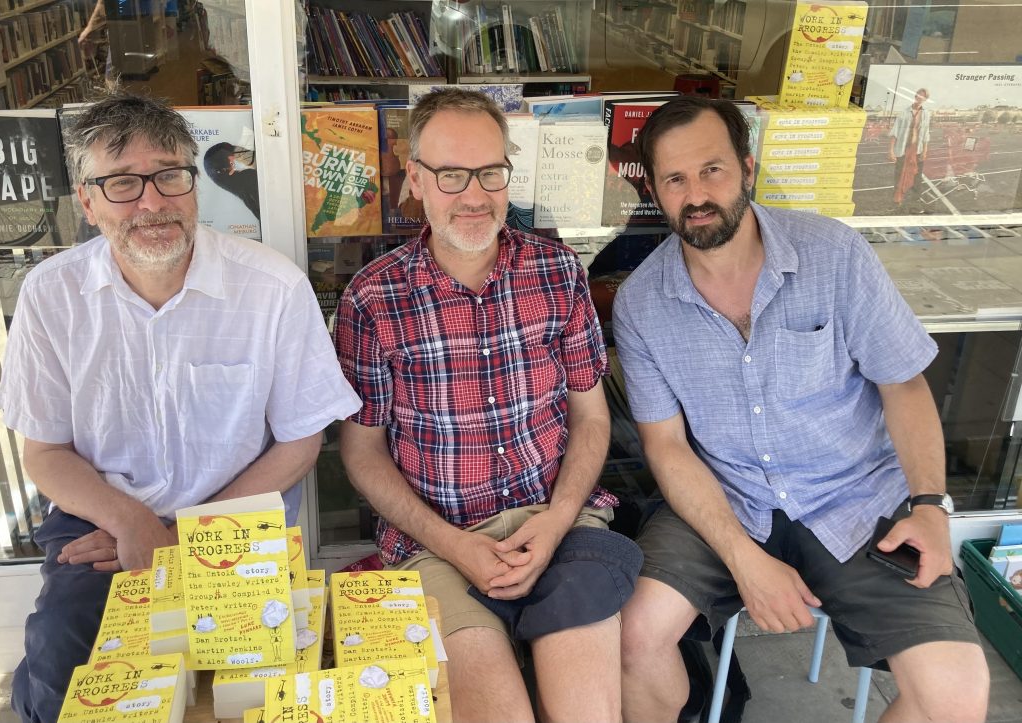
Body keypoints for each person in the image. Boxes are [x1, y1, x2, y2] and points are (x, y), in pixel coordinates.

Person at [612, 96, 989, 723]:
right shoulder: (643, 301)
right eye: (676, 179)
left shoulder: (833, 254)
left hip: (857, 497)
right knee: (631, 639)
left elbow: (903, 386)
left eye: (713, 169)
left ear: (748, 167)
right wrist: (742, 559)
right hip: (725, 499)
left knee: (956, 695)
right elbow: (668, 448)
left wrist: (928, 505)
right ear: (654, 189)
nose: (697, 194)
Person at [0, 91, 362, 723]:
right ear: (86, 201)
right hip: (102, 523)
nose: (152, 203)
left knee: (250, 691)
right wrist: (133, 525)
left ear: (195, 185)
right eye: (122, 184)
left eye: (170, 176)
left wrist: (179, 538)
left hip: (236, 525)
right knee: (63, 662)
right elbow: (46, 452)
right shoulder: (50, 294)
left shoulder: (271, 286)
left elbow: (301, 442)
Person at [336, 88, 640, 723]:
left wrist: (557, 519)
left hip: (559, 526)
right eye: (450, 175)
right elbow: (361, 453)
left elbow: (591, 417)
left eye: (490, 172)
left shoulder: (558, 271)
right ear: (415, 180)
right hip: (434, 541)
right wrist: (454, 544)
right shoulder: (373, 298)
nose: (474, 195)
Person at [888, 88, 932, 208]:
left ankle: (915, 201)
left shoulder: (926, 113)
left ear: (926, 99)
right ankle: (897, 200)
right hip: (903, 149)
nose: (920, 98)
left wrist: (925, 151)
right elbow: (895, 132)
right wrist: (891, 151)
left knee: (917, 177)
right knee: (899, 176)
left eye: (923, 97)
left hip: (917, 150)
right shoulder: (904, 112)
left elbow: (926, 134)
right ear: (915, 96)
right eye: (919, 95)